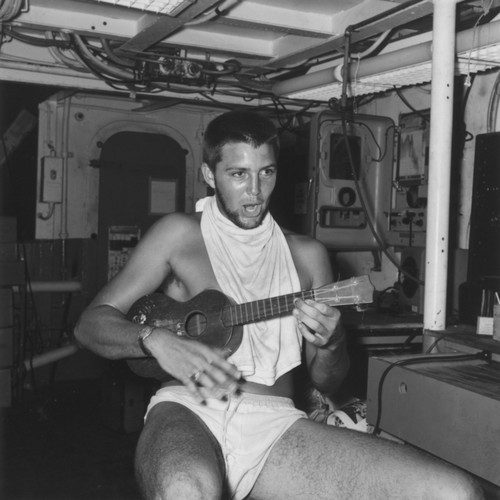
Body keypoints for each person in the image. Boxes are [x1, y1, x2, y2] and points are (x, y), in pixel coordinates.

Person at [75, 110, 483, 500]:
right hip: (189, 407)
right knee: (187, 490)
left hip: (276, 420)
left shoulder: (307, 256)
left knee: (455, 491)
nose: (254, 192)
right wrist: (155, 339)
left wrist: (332, 342)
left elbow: (327, 382)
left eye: (265, 173)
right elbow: (91, 324)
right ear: (208, 175)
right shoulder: (178, 235)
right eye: (238, 174)